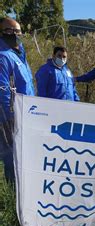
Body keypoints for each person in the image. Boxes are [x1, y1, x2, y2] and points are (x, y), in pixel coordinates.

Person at [0, 17, 35, 184]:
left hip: (27, 115)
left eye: (17, 31)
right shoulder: (3, 57)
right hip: (11, 117)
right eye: (9, 30)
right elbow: (3, 90)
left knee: (24, 157)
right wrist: (10, 118)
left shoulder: (20, 55)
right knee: (12, 158)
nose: (14, 34)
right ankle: (12, 198)